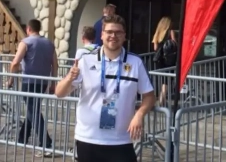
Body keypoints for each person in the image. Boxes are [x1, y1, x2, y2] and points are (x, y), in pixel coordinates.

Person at [55, 14, 156, 162]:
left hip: (121, 140)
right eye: (109, 32)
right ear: (102, 35)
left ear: (124, 36)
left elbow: (150, 96)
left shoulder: (135, 62)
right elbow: (59, 93)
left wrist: (139, 115)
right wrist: (69, 77)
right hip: (88, 139)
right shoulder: (85, 60)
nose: (113, 36)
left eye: (118, 32)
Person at [8, 19, 57, 157]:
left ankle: (46, 143)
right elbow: (55, 64)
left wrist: (10, 79)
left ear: (28, 29)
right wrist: (53, 82)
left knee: (33, 111)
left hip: (29, 82)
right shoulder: (49, 43)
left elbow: (15, 62)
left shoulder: (26, 42)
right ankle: (22, 137)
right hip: (43, 82)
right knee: (33, 110)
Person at [151, 17, 177, 105]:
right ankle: (162, 99)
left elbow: (155, 48)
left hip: (159, 60)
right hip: (169, 60)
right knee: (167, 80)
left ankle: (162, 98)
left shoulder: (157, 33)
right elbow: (174, 44)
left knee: (163, 80)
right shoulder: (171, 32)